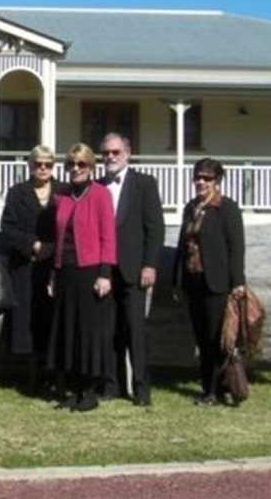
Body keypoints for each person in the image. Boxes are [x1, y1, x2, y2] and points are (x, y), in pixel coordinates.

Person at [47, 142, 116, 412]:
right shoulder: (62, 196)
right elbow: (58, 238)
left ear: (91, 167)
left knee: (88, 333)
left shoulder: (100, 194)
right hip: (66, 271)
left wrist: (105, 274)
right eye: (71, 165)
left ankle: (89, 391)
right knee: (68, 332)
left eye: (81, 164)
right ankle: (72, 390)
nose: (76, 169)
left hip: (91, 272)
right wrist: (54, 273)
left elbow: (108, 235)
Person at [99, 133, 164, 406]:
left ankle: (141, 388)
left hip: (134, 269)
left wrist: (150, 264)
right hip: (105, 270)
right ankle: (112, 385)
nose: (110, 157)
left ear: (127, 153)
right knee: (110, 330)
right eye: (106, 153)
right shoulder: (98, 186)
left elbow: (155, 227)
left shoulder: (144, 184)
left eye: (115, 152)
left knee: (136, 331)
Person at [0, 145, 68, 394]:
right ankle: (31, 376)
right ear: (30, 165)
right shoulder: (17, 193)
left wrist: (54, 247)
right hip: (26, 267)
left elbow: (71, 226)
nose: (43, 169)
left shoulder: (64, 191)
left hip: (56, 266)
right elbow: (8, 228)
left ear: (53, 167)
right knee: (27, 322)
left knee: (53, 319)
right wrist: (34, 245)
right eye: (38, 164)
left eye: (48, 164)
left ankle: (54, 375)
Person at [175, 158, 246, 406]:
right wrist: (178, 280)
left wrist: (238, 282)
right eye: (197, 177)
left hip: (217, 283)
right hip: (193, 281)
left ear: (217, 181)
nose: (201, 182)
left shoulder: (226, 208)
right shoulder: (190, 207)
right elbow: (182, 246)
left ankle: (219, 388)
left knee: (219, 338)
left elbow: (236, 247)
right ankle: (209, 388)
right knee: (202, 338)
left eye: (206, 178)